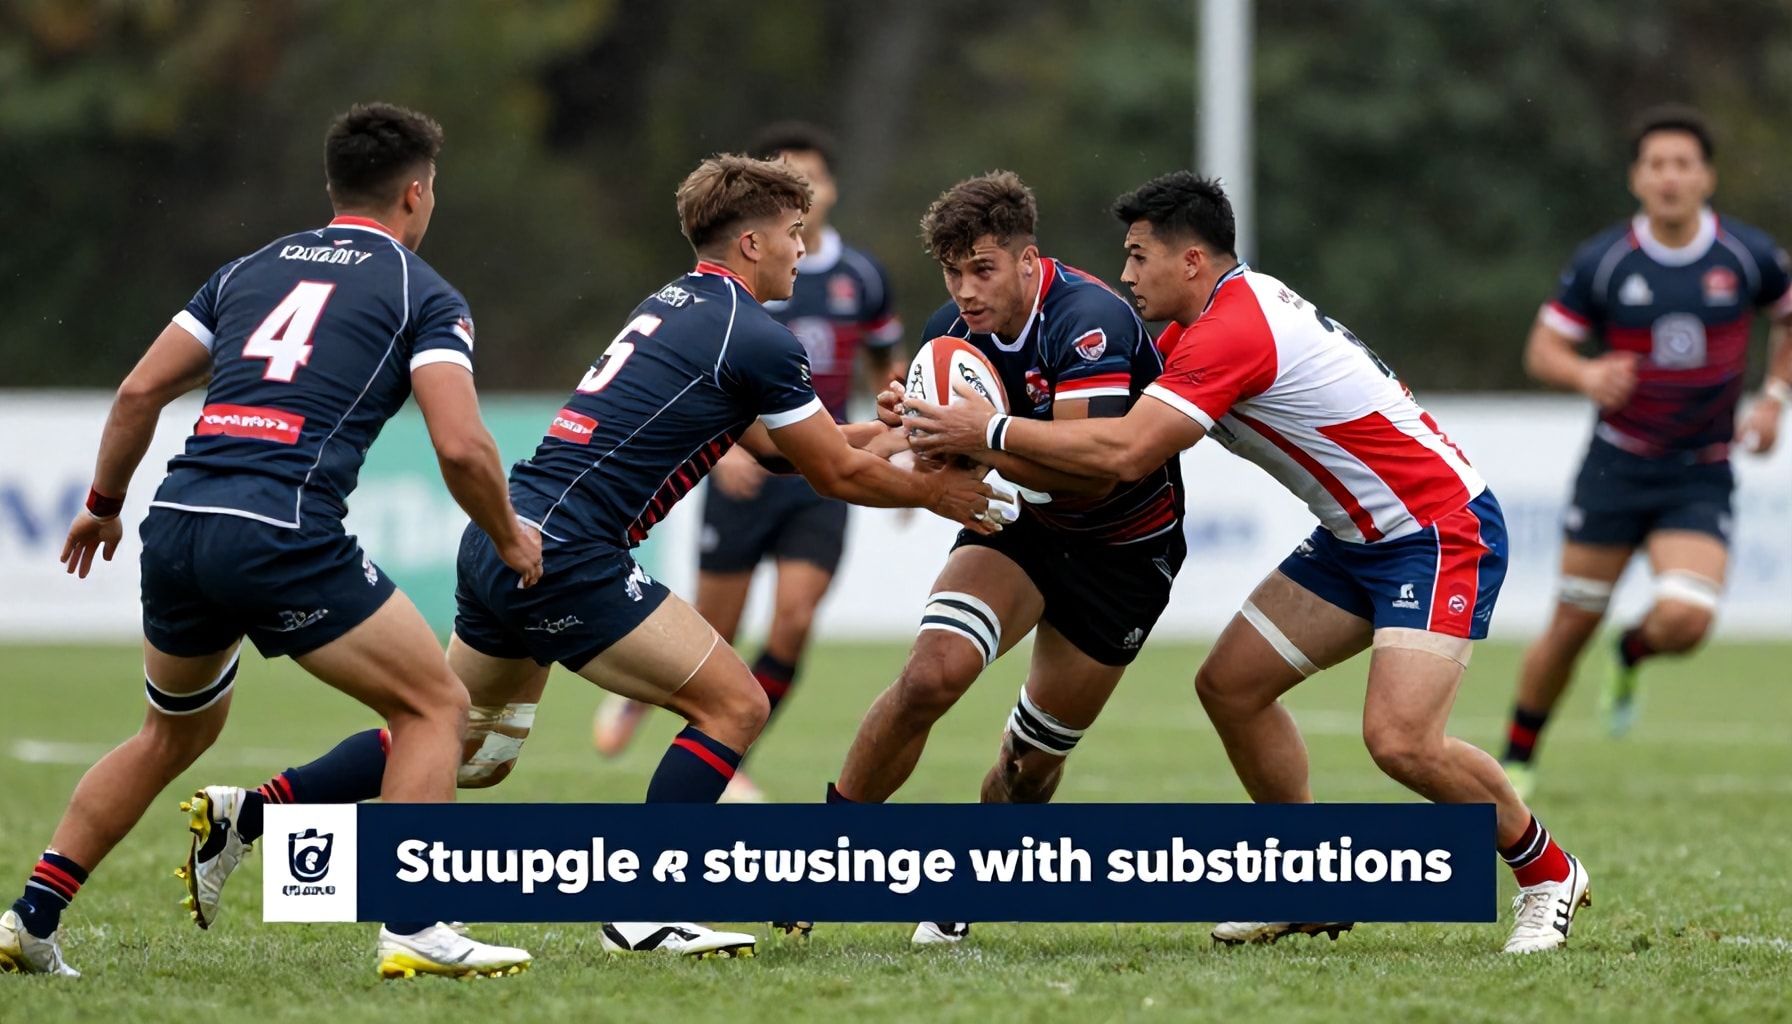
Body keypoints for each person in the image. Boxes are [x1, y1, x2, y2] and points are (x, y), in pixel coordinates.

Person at [182, 154, 993, 959]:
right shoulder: (755, 336)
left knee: (463, 743)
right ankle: (643, 909)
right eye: (792, 231)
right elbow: (833, 474)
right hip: (567, 554)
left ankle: (251, 813)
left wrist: (899, 433)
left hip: (506, 537)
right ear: (752, 243)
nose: (802, 248)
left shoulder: (680, 305)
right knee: (736, 706)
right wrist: (935, 493)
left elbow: (786, 448)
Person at [905, 171, 1591, 954]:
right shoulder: (1199, 325)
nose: (1125, 274)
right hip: (1356, 539)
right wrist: (911, 426)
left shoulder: (1232, 331)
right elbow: (1075, 418)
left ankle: (1548, 873)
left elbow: (1123, 452)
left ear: (1191, 260)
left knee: (1401, 741)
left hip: (1437, 529)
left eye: (1138, 256)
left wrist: (985, 432)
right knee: (1231, 687)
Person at [0, 103, 541, 980]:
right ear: (416, 193)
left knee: (168, 735)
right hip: (281, 530)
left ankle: (30, 919)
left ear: (333, 186)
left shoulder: (246, 270)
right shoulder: (422, 292)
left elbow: (139, 393)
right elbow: (462, 447)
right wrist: (508, 535)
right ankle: (416, 924)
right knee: (436, 708)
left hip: (178, 524)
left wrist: (103, 505)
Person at [827, 171, 1186, 947]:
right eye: (951, 272)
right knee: (929, 677)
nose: (966, 290)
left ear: (1028, 260)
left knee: (1028, 766)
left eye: (982, 269)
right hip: (1022, 528)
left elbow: (1094, 472)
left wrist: (976, 435)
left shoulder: (1089, 321)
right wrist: (900, 433)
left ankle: (965, 883)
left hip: (1122, 554)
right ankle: (823, 856)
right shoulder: (952, 333)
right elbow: (925, 452)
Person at [593, 122, 905, 803]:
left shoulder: (860, 276)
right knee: (717, 634)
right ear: (753, 233)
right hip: (747, 471)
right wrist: (729, 450)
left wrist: (895, 430)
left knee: (793, 619)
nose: (803, 198)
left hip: (816, 463)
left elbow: (883, 368)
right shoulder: (737, 309)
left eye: (811, 177)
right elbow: (717, 397)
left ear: (830, 189)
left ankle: (730, 752)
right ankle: (663, 701)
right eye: (788, 179)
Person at [1500, 105, 1792, 796]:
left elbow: (1787, 319)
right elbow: (1543, 349)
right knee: (1570, 626)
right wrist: (1586, 375)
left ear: (1706, 177)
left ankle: (1631, 650)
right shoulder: (1605, 262)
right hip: (1617, 466)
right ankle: (1516, 760)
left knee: (1686, 620)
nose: (1669, 178)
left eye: (1682, 164)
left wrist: (1775, 397)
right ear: (1637, 178)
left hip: (1700, 471)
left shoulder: (1747, 255)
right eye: (1656, 164)